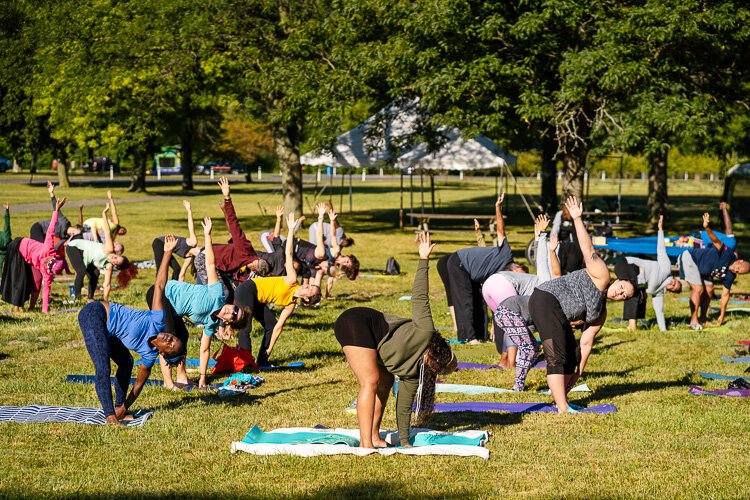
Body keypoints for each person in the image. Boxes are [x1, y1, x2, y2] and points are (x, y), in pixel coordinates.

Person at [334, 233, 456, 448]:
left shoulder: (414, 374)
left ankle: (374, 436)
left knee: (386, 381)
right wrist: (423, 259)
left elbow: (403, 407)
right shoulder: (425, 331)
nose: (432, 370)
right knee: (370, 381)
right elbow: (420, 296)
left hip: (374, 342)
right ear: (435, 355)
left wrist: (406, 442)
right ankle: (365, 444)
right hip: (358, 321)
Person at [529, 196, 635, 413]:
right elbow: (588, 249)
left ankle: (562, 400)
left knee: (570, 357)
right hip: (545, 300)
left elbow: (586, 343)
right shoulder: (602, 275)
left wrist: (579, 370)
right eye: (622, 287)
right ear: (617, 280)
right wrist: (578, 218)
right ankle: (562, 408)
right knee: (556, 355)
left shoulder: (600, 313)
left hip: (557, 312)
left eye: (623, 296)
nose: (620, 292)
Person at [76, 235, 183, 425]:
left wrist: (125, 407)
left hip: (107, 331)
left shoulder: (149, 357)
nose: (169, 338)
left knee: (126, 362)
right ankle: (110, 416)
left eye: (170, 345)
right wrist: (167, 253)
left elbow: (139, 385)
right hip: (94, 314)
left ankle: (118, 409)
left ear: (163, 353)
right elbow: (159, 285)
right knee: (103, 366)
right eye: (173, 338)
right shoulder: (157, 320)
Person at [148, 218, 244, 390]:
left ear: (228, 321)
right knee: (168, 335)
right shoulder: (218, 294)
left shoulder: (211, 323)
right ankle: (168, 382)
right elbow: (210, 264)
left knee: (182, 336)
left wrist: (202, 379)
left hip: (174, 308)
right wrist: (207, 235)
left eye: (234, 315)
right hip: (161, 293)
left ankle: (182, 376)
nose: (233, 310)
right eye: (236, 308)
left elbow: (204, 350)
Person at [234, 212, 322, 367]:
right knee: (245, 327)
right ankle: (245, 362)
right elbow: (288, 254)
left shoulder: (291, 305)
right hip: (249, 289)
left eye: (309, 289)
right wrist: (290, 230)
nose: (306, 285)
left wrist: (269, 349)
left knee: (271, 325)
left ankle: (262, 360)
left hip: (257, 299)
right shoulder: (292, 280)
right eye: (309, 285)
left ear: (306, 299)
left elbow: (278, 328)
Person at [436, 193, 521, 343]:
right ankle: (468, 337)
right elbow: (501, 230)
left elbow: (496, 303)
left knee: (480, 301)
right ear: (517, 266)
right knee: (465, 300)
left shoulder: (502, 278)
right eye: (519, 273)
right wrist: (498, 208)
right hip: (459, 263)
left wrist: (496, 328)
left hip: (473, 272)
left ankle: (481, 335)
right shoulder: (506, 254)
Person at [483, 214, 558, 369]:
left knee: (511, 324)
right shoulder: (545, 284)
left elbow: (540, 261)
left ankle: (505, 360)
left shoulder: (537, 286)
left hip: (489, 285)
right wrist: (542, 237)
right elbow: (542, 262)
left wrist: (538, 238)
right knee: (515, 323)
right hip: (502, 284)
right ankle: (510, 363)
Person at [192, 178, 270, 288]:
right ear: (256, 266)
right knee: (220, 292)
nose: (252, 272)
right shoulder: (245, 249)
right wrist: (227, 198)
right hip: (205, 259)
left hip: (217, 266)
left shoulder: (246, 262)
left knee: (230, 291)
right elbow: (234, 225)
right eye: (255, 272)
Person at [678, 212, 749, 329]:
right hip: (691, 258)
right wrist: (707, 227)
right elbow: (716, 241)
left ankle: (703, 318)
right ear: (739, 261)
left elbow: (725, 295)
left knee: (710, 289)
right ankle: (694, 321)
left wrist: (722, 315)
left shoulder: (731, 276)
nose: (736, 270)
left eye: (739, 272)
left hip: (703, 269)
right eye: (738, 267)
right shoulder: (728, 254)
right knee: (698, 288)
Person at [615, 215, 682, 332]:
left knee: (640, 294)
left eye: (674, 288)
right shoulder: (666, 269)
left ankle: (632, 324)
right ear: (675, 278)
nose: (672, 284)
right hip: (627, 264)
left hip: (633, 276)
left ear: (671, 291)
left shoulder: (658, 292)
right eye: (675, 283)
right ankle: (632, 327)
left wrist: (663, 330)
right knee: (634, 289)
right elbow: (661, 249)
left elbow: (659, 311)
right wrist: (660, 229)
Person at [0, 198, 67, 313]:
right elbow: (51, 229)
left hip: (31, 259)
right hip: (19, 247)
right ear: (52, 259)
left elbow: (46, 289)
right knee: (20, 278)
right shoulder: (48, 248)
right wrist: (56, 210)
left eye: (48, 268)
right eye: (48, 264)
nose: (46, 266)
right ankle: (16, 307)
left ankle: (32, 306)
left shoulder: (47, 272)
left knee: (37, 281)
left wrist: (45, 310)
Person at [66, 205, 136, 301]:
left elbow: (107, 285)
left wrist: (105, 300)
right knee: (81, 271)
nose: (114, 258)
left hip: (86, 257)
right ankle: (77, 299)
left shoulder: (109, 267)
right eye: (116, 256)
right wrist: (104, 214)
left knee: (95, 273)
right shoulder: (109, 249)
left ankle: (90, 297)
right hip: (75, 247)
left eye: (115, 261)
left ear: (115, 265)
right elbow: (107, 231)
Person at [152, 200, 199, 281]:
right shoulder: (193, 242)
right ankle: (158, 290)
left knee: (177, 269)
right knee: (161, 269)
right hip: (159, 243)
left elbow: (182, 274)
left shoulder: (189, 258)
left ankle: (173, 289)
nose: (199, 248)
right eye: (200, 249)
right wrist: (189, 210)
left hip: (168, 249)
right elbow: (191, 227)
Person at [551, 203, 584, 274]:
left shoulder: (576, 215)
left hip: (575, 245)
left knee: (573, 267)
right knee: (561, 266)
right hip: (563, 244)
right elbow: (555, 229)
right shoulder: (560, 215)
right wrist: (554, 238)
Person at [0, 203, 10, 276]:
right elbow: (7, 225)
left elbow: (7, 225)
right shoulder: (6, 237)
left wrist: (7, 212)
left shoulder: (6, 236)